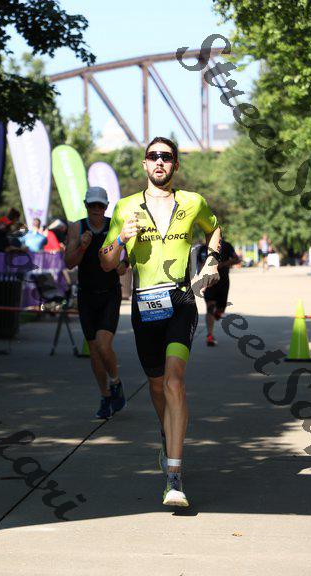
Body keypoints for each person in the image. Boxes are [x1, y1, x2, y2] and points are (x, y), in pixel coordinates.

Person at [99, 137, 221, 507]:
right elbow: (106, 261)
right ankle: (168, 435)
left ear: (175, 165)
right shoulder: (125, 207)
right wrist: (121, 238)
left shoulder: (193, 202)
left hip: (181, 300)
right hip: (144, 306)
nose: (159, 162)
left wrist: (212, 260)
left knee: (174, 382)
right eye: (153, 156)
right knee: (156, 386)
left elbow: (214, 228)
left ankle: (174, 476)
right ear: (144, 164)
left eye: (166, 157)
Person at [65, 186, 127, 419]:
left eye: (100, 205)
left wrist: (124, 264)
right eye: (92, 205)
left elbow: (130, 253)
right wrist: (82, 246)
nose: (96, 210)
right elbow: (69, 262)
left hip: (109, 293)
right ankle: (105, 396)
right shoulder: (77, 227)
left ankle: (116, 382)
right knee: (94, 350)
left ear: (106, 206)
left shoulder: (114, 226)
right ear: (86, 205)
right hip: (86, 295)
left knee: (103, 345)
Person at [197, 238, 240, 346]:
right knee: (210, 308)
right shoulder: (203, 249)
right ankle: (210, 335)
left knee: (221, 309)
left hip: (223, 282)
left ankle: (218, 313)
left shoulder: (226, 246)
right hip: (209, 283)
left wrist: (223, 264)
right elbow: (200, 265)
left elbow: (236, 259)